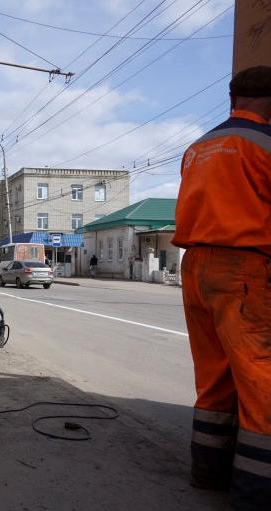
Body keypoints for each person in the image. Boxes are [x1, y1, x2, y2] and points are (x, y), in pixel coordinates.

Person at [172, 66, 271, 509]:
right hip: (243, 268)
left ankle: (208, 473)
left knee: (214, 380)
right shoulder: (265, 144)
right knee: (260, 380)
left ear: (233, 100)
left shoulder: (198, 148)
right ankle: (257, 491)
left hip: (195, 267)